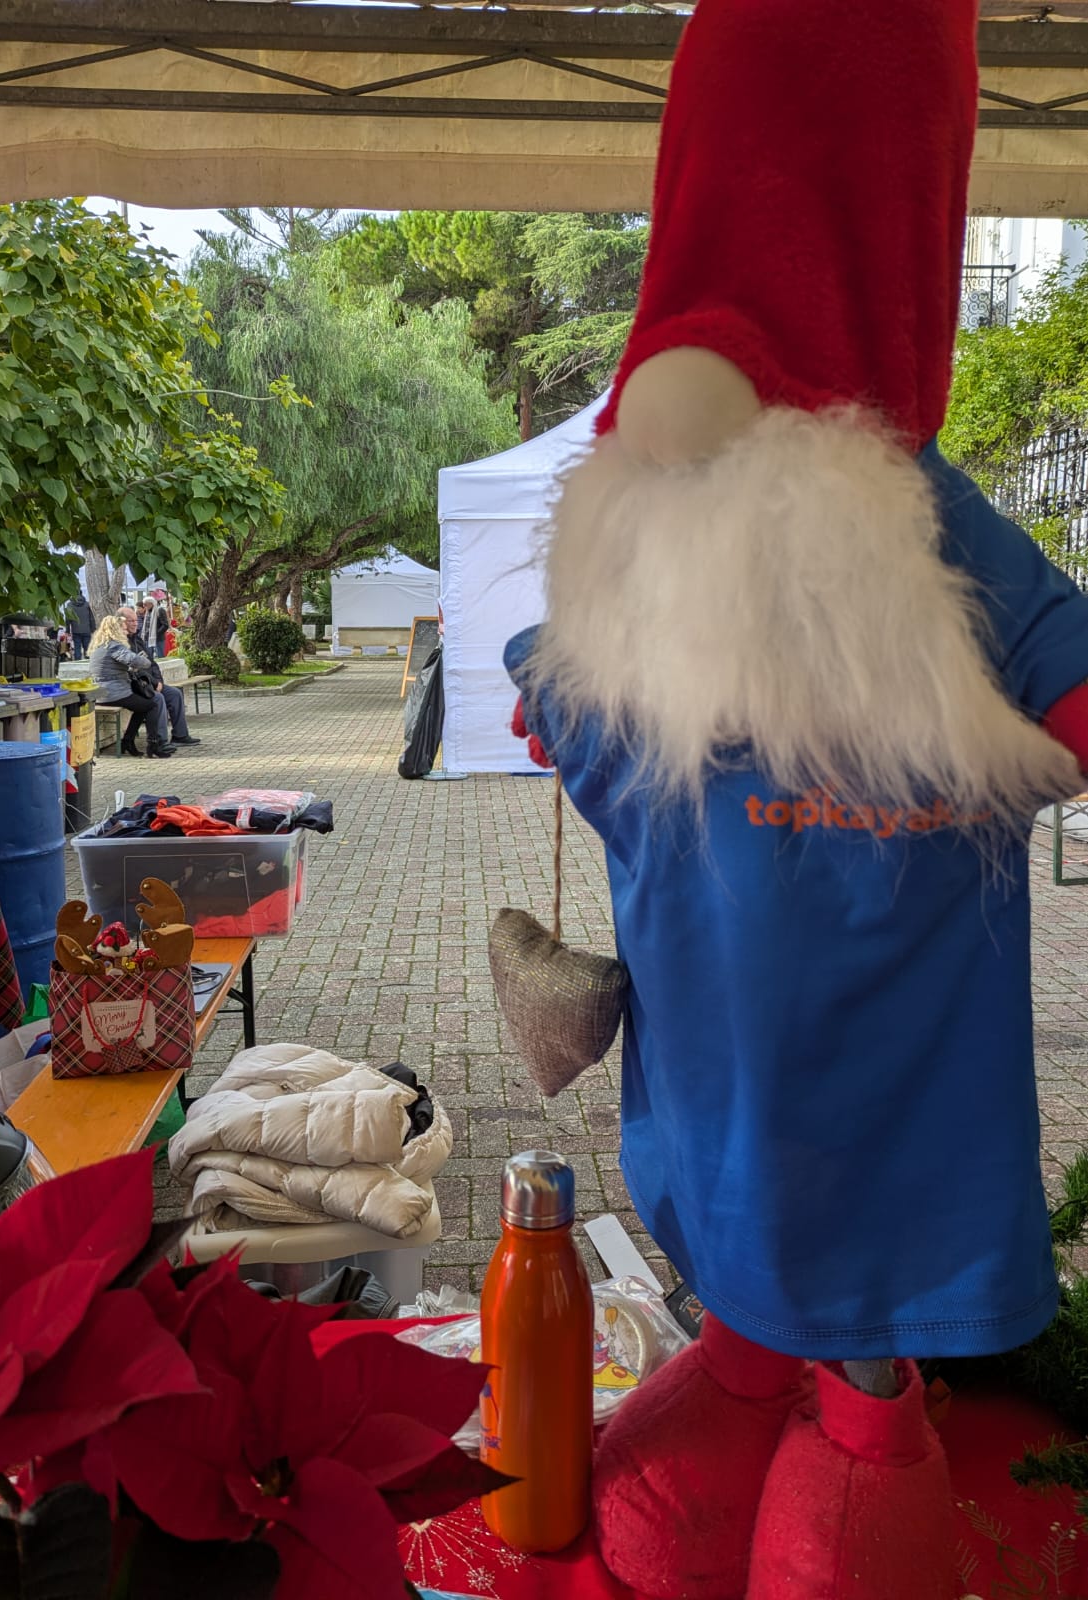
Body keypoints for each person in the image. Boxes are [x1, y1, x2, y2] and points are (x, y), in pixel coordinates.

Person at [506, 4, 1088, 1599]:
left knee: (859, 1373)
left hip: (895, 1111)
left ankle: (859, 1431)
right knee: (742, 1278)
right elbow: (562, 691)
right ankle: (749, 1377)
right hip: (711, 1093)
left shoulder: (932, 534)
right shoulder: (649, 534)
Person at [87, 614, 173, 760]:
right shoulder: (114, 645)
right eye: (124, 629)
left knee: (142, 707)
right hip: (114, 693)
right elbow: (133, 660)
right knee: (152, 705)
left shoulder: (99, 646)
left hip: (101, 693)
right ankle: (153, 745)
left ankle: (127, 741)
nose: (126, 632)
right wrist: (145, 661)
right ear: (116, 630)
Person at [118, 605, 200, 748]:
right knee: (158, 698)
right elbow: (133, 671)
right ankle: (160, 742)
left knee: (175, 694)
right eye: (131, 621)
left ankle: (180, 736)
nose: (135, 623)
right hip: (136, 686)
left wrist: (159, 681)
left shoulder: (138, 640)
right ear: (121, 622)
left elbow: (152, 663)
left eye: (136, 620)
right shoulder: (120, 644)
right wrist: (154, 684)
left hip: (150, 683)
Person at [66, 591, 96, 660]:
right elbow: (91, 618)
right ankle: (89, 662)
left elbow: (68, 619)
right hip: (87, 630)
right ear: (81, 594)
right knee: (87, 648)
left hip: (76, 630)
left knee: (77, 648)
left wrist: (67, 630)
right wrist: (93, 629)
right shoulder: (87, 604)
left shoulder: (69, 605)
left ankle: (77, 663)